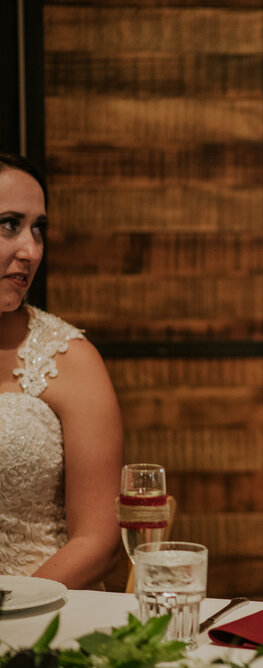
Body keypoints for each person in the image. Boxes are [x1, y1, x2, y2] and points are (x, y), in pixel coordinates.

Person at [0, 153, 123, 588]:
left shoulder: (69, 358)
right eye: (8, 224)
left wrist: (16, 605)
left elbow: (100, 539)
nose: (30, 250)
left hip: (47, 614)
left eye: (38, 229)